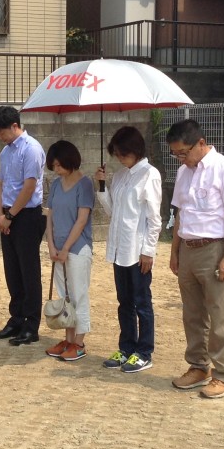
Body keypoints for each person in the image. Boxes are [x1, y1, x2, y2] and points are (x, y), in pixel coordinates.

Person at [167, 119, 224, 399]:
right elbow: (180, 214)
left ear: (201, 143)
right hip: (188, 248)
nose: (181, 158)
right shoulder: (183, 173)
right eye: (176, 154)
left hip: (214, 249)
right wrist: (174, 251)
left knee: (220, 313)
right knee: (193, 314)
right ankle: (199, 367)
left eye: (184, 152)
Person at [93, 126, 162, 374]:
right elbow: (114, 211)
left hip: (137, 249)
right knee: (124, 302)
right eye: (118, 155)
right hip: (119, 248)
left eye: (123, 154)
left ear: (135, 150)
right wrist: (102, 187)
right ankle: (126, 347)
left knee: (142, 302)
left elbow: (155, 219)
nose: (120, 159)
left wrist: (149, 251)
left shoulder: (149, 175)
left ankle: (144, 352)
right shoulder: (121, 175)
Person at [0, 105, 46, 346]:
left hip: (28, 215)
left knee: (29, 271)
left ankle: (31, 325)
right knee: (12, 270)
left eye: (2, 132)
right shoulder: (6, 152)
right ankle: (16, 319)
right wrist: (0, 214)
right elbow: (0, 183)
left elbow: (29, 187)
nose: (0, 137)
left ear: (14, 126)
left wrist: (10, 215)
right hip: (9, 214)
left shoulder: (31, 149)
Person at [44, 140, 94, 361]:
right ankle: (69, 339)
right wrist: (51, 245)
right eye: (54, 166)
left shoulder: (85, 185)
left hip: (77, 248)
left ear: (69, 161)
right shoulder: (56, 184)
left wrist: (64, 248)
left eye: (59, 165)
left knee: (78, 295)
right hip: (58, 248)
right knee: (65, 297)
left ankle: (79, 343)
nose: (57, 170)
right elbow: (50, 216)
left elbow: (82, 220)